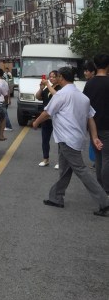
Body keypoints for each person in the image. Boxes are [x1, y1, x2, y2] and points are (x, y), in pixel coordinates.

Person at [32, 66, 109, 215]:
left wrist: (35, 123)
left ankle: (104, 202)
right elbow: (91, 118)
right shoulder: (82, 97)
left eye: (57, 76)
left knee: (81, 170)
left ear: (61, 77)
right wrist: (94, 137)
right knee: (65, 169)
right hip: (75, 139)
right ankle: (56, 197)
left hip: (67, 140)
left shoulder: (61, 95)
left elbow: (47, 113)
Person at [83, 53, 109, 192]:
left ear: (95, 65)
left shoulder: (89, 84)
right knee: (107, 158)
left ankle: (100, 187)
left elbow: (85, 105)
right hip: (107, 127)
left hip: (92, 125)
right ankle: (106, 189)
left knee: (99, 158)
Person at [35, 70, 60, 167]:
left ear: (58, 77)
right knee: (45, 139)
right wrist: (41, 88)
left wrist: (48, 85)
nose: (51, 78)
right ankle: (46, 159)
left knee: (59, 140)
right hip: (46, 117)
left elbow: (57, 96)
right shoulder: (47, 88)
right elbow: (38, 97)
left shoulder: (60, 88)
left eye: (54, 76)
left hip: (57, 117)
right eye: (50, 77)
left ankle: (60, 161)